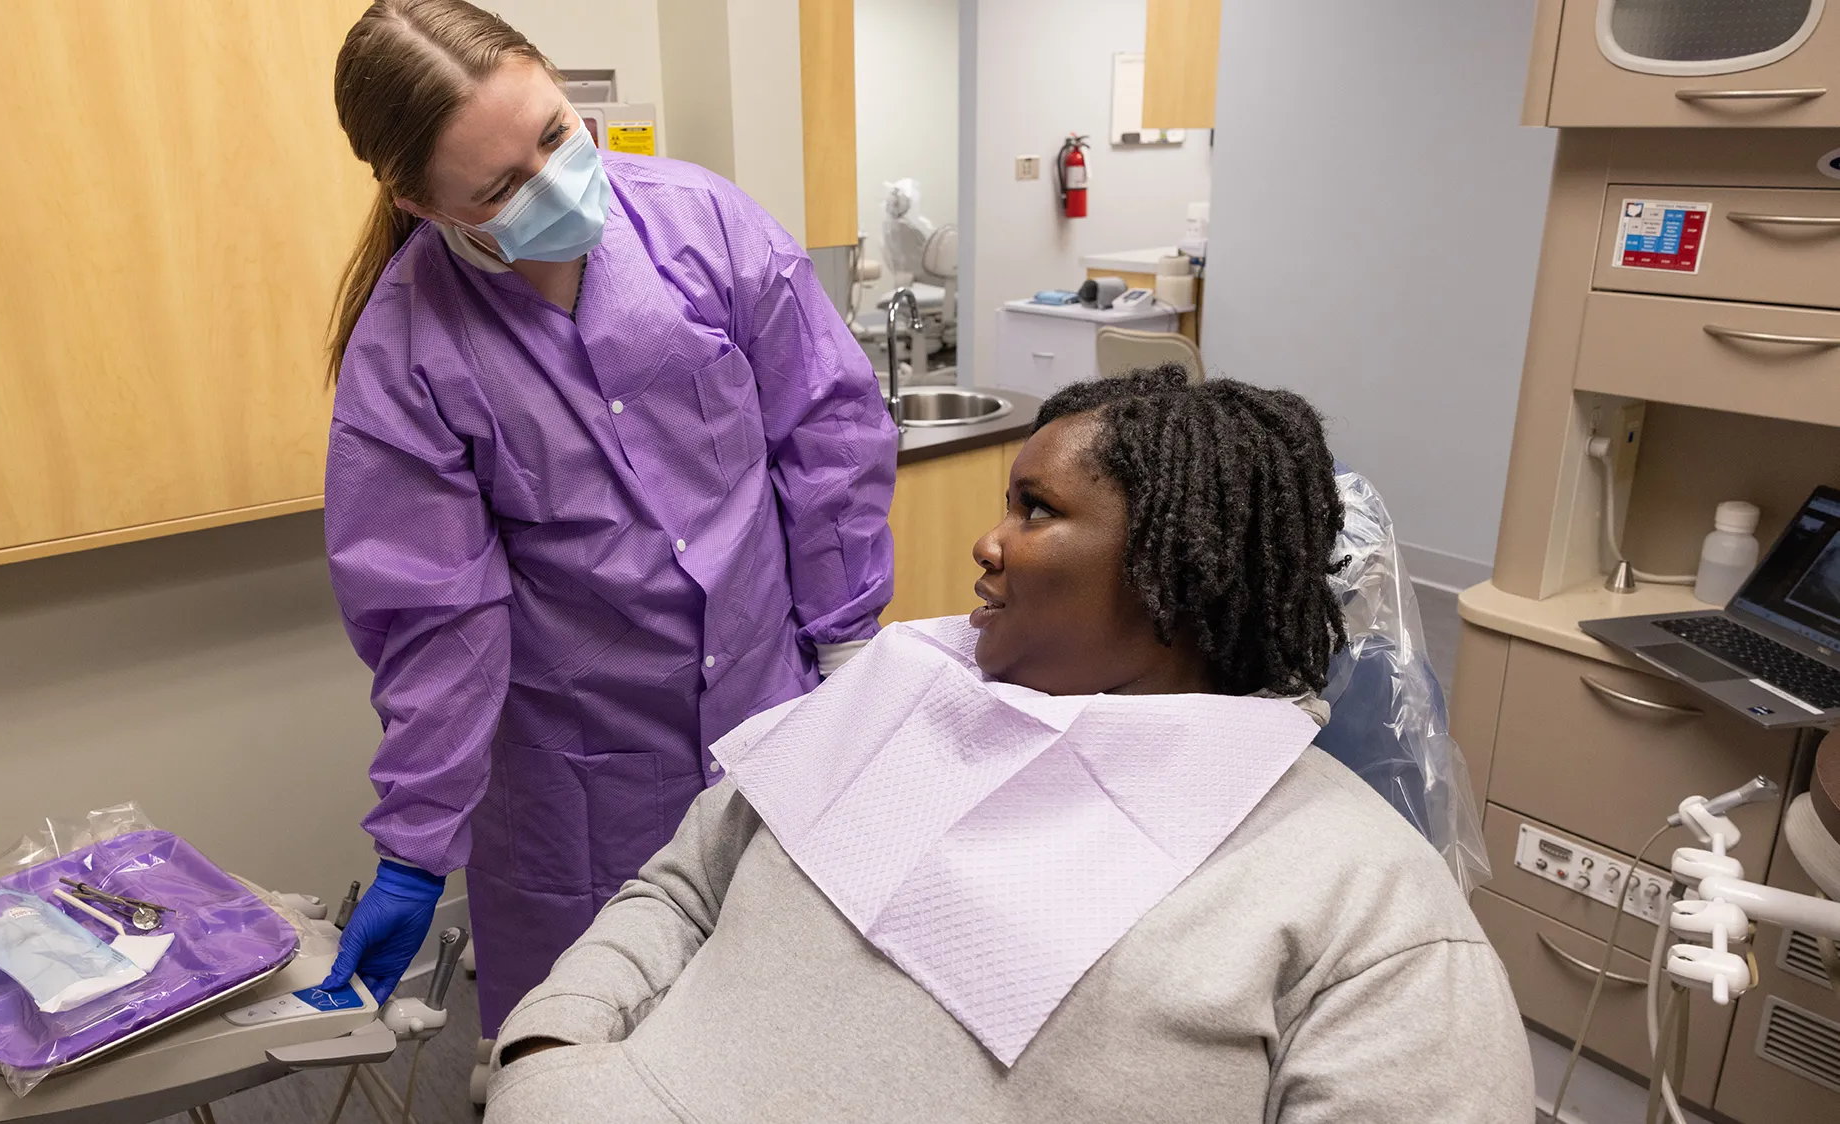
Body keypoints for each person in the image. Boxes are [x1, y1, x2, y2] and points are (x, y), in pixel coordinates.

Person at [484, 370, 1535, 1123]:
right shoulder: (890, 701)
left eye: (1037, 509)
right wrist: (548, 1048)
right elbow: (678, 890)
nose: (988, 543)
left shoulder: (1353, 890)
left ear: (1173, 571)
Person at [315, 0, 899, 1045]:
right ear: (421, 201)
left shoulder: (703, 226)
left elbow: (827, 426)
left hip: (774, 715)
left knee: (795, 1030)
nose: (554, 182)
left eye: (555, 133)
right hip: (582, 776)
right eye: (500, 187)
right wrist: (413, 847)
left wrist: (850, 642)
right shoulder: (408, 353)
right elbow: (437, 615)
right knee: (602, 1047)